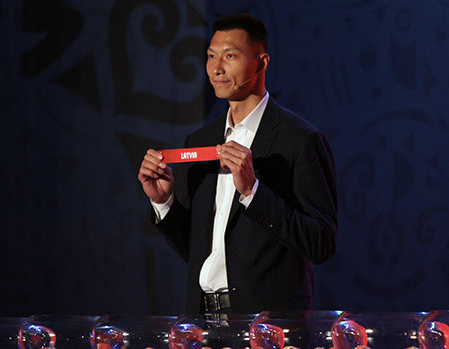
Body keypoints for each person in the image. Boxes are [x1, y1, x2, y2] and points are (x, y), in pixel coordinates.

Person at [138, 13, 338, 314]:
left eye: (230, 56)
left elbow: (321, 243)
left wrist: (253, 193)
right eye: (210, 56)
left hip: (269, 324)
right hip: (204, 320)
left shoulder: (300, 139)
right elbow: (200, 251)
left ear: (262, 62)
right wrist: (164, 203)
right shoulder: (200, 141)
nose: (216, 68)